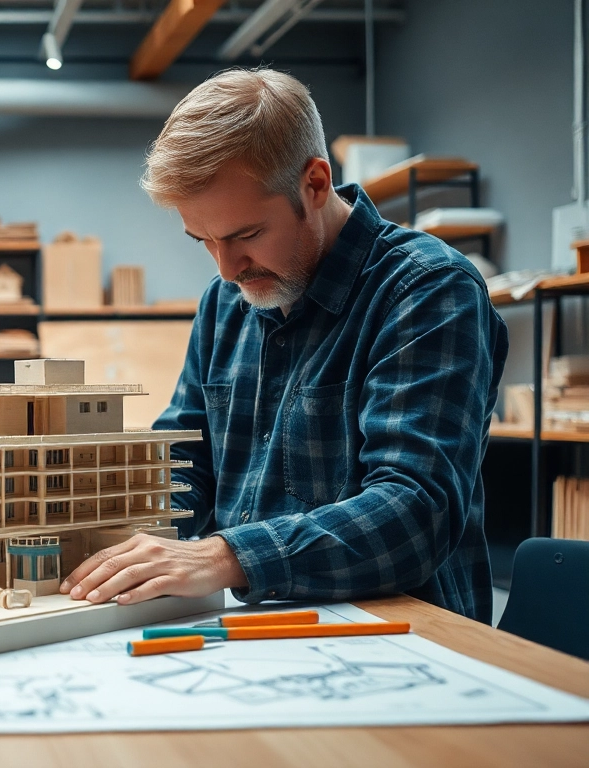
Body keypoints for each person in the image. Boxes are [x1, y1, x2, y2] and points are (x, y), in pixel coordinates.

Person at [60, 68, 508, 623]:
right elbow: (185, 460)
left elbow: (415, 513)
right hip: (257, 619)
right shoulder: (227, 302)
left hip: (404, 631)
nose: (226, 269)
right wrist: (103, 533)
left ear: (315, 184)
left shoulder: (427, 290)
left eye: (245, 235)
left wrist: (225, 556)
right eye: (204, 241)